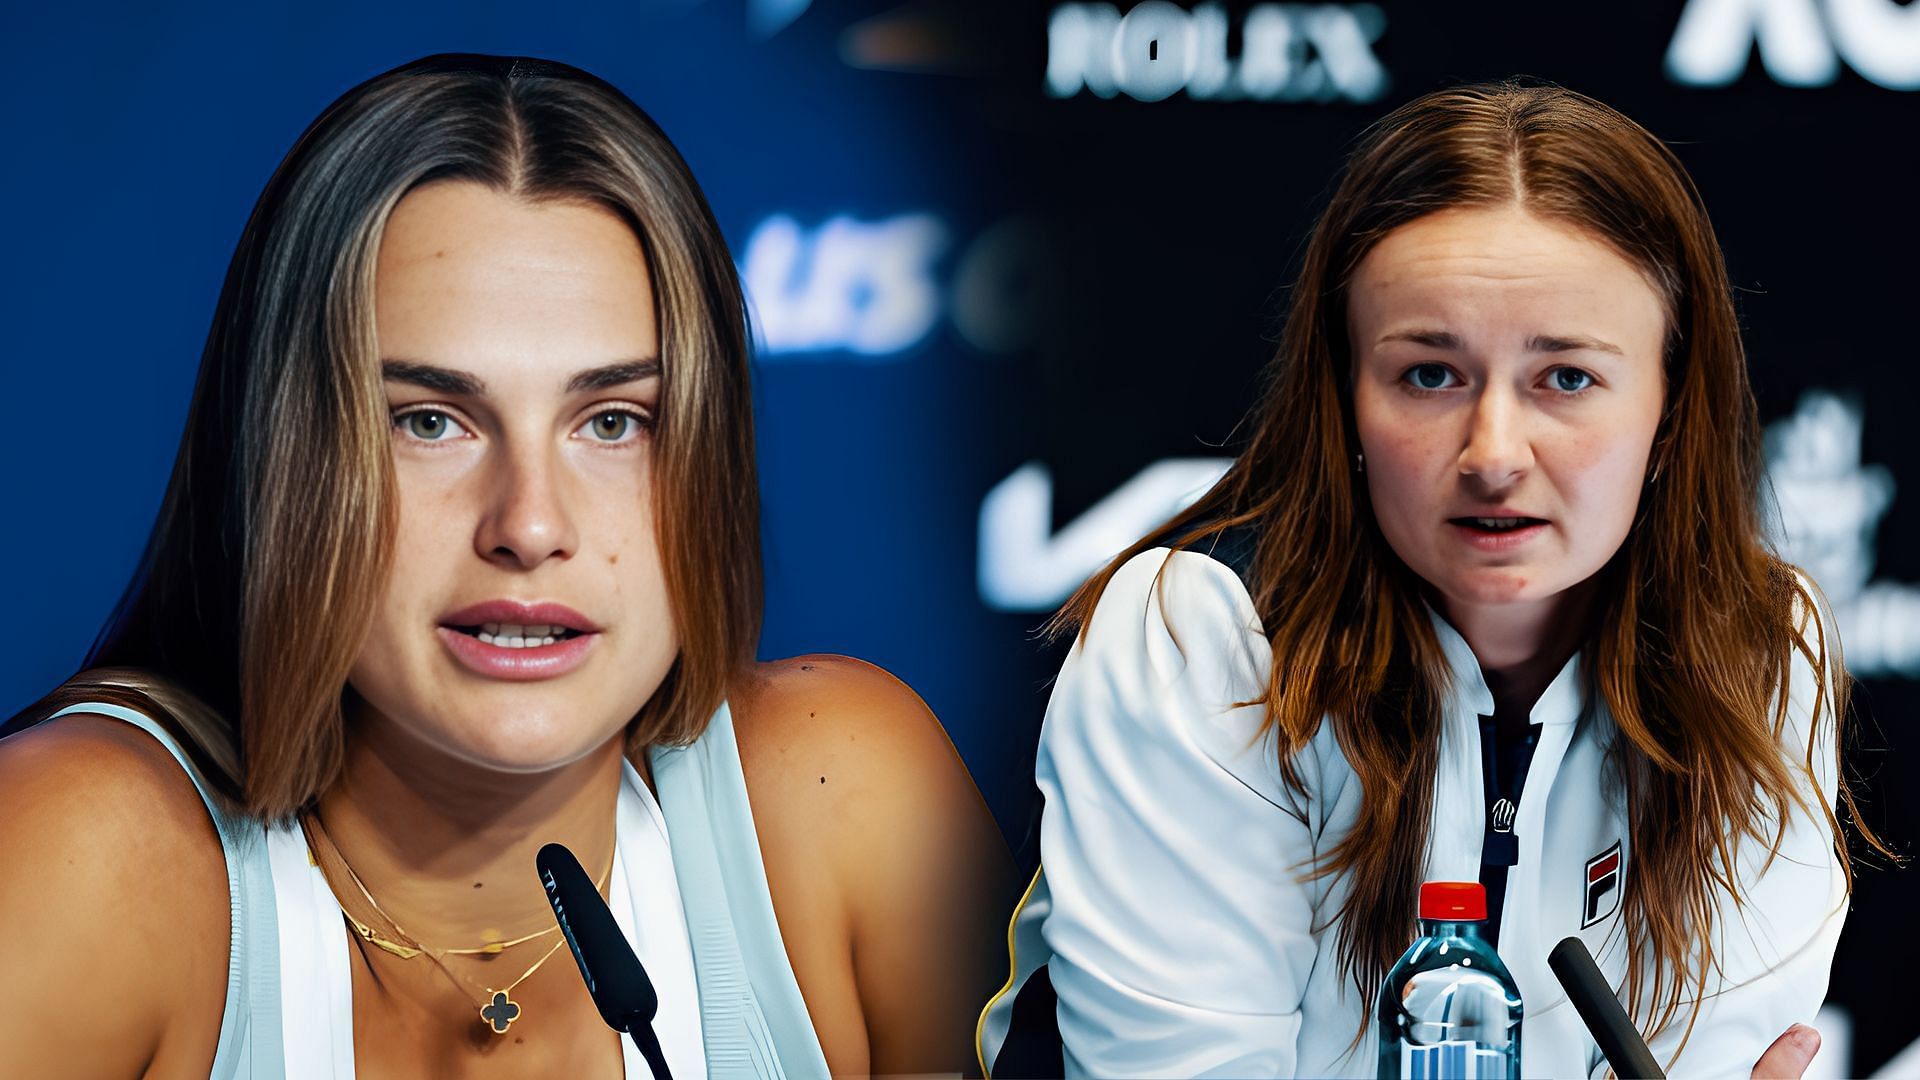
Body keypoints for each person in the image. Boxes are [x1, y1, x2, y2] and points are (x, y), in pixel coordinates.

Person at [0, 54, 1013, 1078]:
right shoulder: (79, 855)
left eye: (614, 422)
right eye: (431, 422)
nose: (529, 526)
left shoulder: (845, 802)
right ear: (284, 463)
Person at [977, 81, 1886, 1078]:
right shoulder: (1200, 634)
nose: (1493, 453)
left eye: (1567, 378)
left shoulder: (1760, 650)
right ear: (1344, 397)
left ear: (1670, 414)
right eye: (1428, 374)